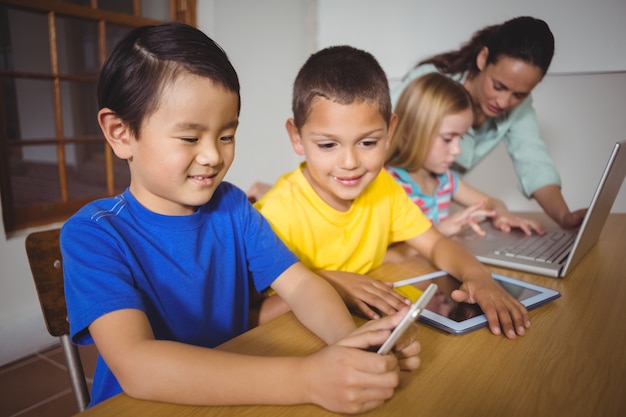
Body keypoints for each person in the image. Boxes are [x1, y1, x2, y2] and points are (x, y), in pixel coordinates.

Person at [60, 23, 421, 414]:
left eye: (226, 135)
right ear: (120, 133)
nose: (214, 155)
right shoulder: (93, 234)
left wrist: (350, 343)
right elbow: (138, 366)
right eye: (190, 138)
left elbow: (301, 286)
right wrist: (308, 379)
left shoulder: (232, 206)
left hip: (239, 396)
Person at [254, 45, 530, 340]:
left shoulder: (384, 187)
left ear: (390, 131)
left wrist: (478, 276)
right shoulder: (272, 216)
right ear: (297, 137)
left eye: (368, 143)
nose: (350, 163)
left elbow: (435, 245)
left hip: (367, 319)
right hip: (299, 336)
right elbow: (251, 313)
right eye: (328, 145)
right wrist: (330, 282)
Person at [391, 16, 586, 230]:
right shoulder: (428, 85)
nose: (504, 102)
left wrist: (565, 217)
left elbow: (534, 163)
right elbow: (376, 136)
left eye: (519, 95)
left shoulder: (445, 180)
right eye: (498, 86)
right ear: (483, 58)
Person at [385, 72, 545, 238]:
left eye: (460, 138)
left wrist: (502, 215)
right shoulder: (387, 186)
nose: (457, 150)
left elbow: (492, 203)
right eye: (447, 139)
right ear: (409, 133)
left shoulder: (444, 180)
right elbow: (384, 257)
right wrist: (439, 233)